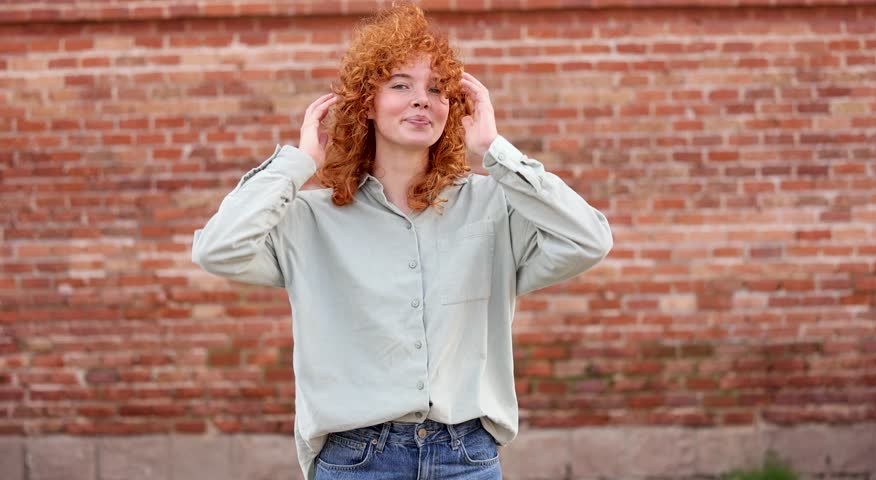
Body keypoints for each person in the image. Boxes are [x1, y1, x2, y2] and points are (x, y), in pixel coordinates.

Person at [191, 4, 612, 480]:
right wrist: (297, 164)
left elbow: (589, 239)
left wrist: (495, 151)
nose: (421, 100)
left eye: (436, 89)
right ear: (367, 104)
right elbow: (216, 249)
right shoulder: (310, 220)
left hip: (467, 457)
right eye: (400, 85)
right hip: (356, 460)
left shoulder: (494, 205)